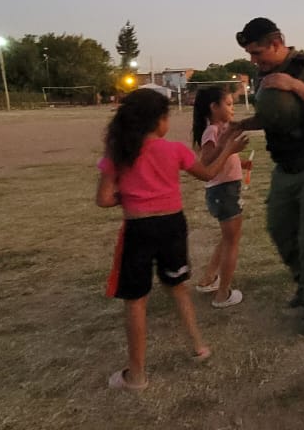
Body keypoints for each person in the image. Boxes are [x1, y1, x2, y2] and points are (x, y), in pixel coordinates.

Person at [95, 88, 248, 390]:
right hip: (173, 227)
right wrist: (229, 150)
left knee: (136, 301)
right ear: (158, 121)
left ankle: (137, 376)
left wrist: (130, 197)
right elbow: (207, 174)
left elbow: (103, 199)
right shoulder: (174, 150)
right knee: (178, 288)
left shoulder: (118, 153)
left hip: (138, 230)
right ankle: (199, 346)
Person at [232, 17, 304, 335]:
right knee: (278, 228)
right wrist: (243, 125)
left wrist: (294, 84)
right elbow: (274, 116)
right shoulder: (262, 74)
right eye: (251, 54)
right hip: (285, 165)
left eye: (257, 52)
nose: (254, 60)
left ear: (277, 43)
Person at [191, 87, 252, 308]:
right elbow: (206, 161)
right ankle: (222, 294)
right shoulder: (211, 131)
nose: (232, 108)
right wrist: (230, 146)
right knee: (231, 242)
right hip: (223, 192)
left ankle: (209, 278)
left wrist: (241, 162)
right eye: (228, 104)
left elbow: (224, 158)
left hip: (227, 190)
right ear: (213, 107)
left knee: (227, 238)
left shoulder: (221, 129)